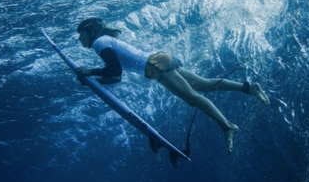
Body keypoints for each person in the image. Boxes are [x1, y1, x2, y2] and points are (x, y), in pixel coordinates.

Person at [75, 18, 270, 154]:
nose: (79, 38)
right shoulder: (105, 41)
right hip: (159, 58)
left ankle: (228, 127)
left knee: (193, 98)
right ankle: (249, 88)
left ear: (90, 31)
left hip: (154, 66)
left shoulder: (99, 43)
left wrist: (90, 72)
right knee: (204, 85)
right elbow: (116, 77)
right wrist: (92, 82)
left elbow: (115, 71)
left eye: (80, 34)